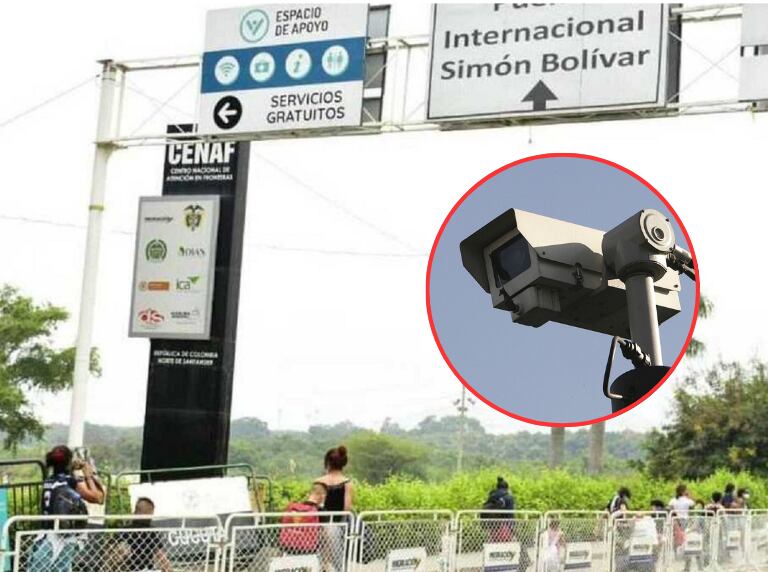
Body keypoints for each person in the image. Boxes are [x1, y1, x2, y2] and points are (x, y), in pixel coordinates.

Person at [104, 497, 172, 572]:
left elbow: (108, 548)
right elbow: (161, 556)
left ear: (135, 511)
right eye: (150, 512)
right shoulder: (151, 532)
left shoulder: (124, 530)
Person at [314, 447, 353, 572]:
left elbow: (313, 504)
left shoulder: (319, 482)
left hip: (318, 526)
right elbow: (347, 508)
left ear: (328, 462)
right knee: (337, 563)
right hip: (338, 526)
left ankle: (324, 566)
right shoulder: (347, 483)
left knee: (320, 559)